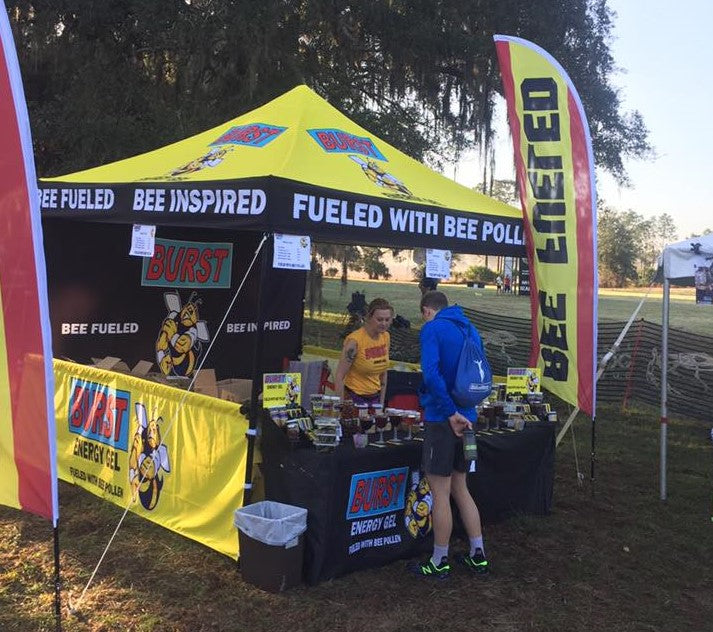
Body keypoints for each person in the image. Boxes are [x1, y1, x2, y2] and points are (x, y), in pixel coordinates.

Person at [410, 290, 489, 579]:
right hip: (468, 417)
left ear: (427, 311)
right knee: (461, 487)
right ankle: (478, 553)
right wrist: (463, 412)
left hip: (443, 419)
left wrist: (447, 411)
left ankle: (439, 560)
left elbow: (430, 374)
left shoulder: (432, 329)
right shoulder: (469, 327)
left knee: (440, 492)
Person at [334, 297, 393, 406]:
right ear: (369, 318)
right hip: (354, 395)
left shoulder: (385, 337)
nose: (384, 324)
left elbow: (384, 372)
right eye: (379, 320)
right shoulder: (355, 341)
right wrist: (341, 406)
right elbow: (339, 375)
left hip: (375, 395)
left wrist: (381, 403)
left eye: (387, 320)